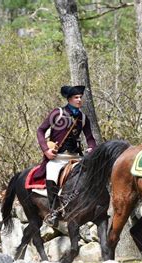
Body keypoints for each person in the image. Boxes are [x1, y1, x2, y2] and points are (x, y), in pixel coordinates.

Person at [35, 85, 97, 228]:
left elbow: (90, 138)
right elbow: (40, 131)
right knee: (51, 172)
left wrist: (92, 149)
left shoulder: (83, 117)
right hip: (57, 157)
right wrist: (46, 150)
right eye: (76, 97)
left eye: (81, 97)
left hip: (75, 157)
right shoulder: (58, 113)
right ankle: (54, 211)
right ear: (69, 99)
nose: (79, 99)